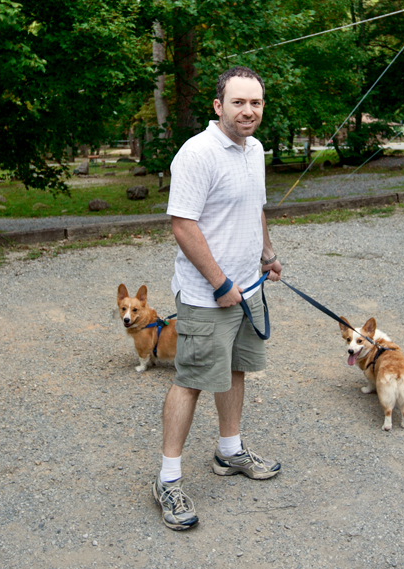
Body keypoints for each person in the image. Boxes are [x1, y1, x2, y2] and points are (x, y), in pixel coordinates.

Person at [152, 66, 282, 531]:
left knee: (236, 369)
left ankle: (229, 451)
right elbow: (183, 225)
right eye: (239, 103)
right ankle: (167, 480)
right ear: (218, 106)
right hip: (209, 297)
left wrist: (266, 254)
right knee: (190, 379)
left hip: (250, 287)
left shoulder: (256, 150)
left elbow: (256, 206)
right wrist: (221, 283)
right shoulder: (198, 153)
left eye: (256, 103)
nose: (249, 111)